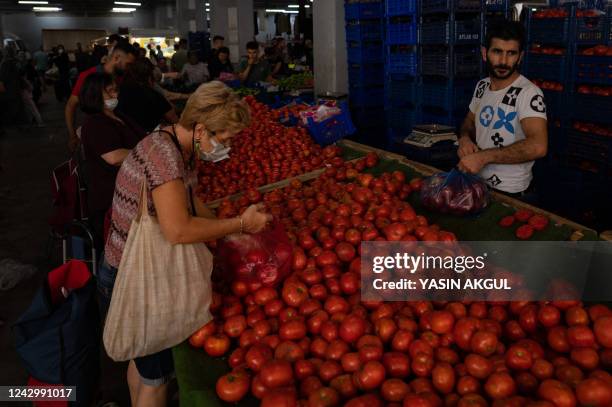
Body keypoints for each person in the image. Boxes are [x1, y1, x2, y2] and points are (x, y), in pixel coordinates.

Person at [100, 81, 270, 407]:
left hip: (123, 266)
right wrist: (240, 223)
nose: (228, 146)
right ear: (202, 129)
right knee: (157, 380)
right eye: (226, 138)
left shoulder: (174, 143)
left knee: (143, 361)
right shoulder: (165, 158)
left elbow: (190, 200)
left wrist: (230, 235)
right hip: (135, 278)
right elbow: (178, 230)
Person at [457, 20, 548, 201]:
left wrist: (483, 157)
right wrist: (465, 138)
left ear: (520, 57)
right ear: (485, 53)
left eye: (511, 53)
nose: (504, 61)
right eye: (497, 52)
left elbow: (538, 146)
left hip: (511, 193)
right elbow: (469, 121)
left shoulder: (528, 92)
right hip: (478, 184)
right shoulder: (482, 86)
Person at [79, 72, 146, 251]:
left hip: (133, 188)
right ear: (94, 95)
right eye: (108, 92)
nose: (114, 95)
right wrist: (148, 152)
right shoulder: (95, 124)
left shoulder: (119, 116)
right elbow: (114, 157)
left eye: (115, 91)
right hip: (112, 197)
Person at [65, 41, 136, 151]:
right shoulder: (88, 77)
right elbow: (70, 106)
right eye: (128, 64)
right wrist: (72, 135)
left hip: (118, 131)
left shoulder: (123, 77)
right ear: (117, 57)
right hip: (97, 132)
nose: (129, 68)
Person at [116, 57, 178, 133]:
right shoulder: (152, 94)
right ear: (150, 75)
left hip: (131, 134)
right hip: (151, 135)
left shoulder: (123, 89)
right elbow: (174, 119)